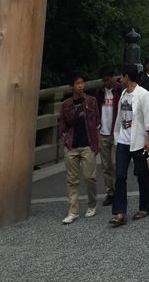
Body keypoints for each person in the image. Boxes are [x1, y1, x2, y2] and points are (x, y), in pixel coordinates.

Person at [110, 63, 149, 226]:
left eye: (121, 76)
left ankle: (144, 207)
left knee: (141, 175)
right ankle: (120, 211)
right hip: (123, 139)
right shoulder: (123, 94)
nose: (119, 79)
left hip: (139, 140)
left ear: (127, 76)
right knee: (120, 176)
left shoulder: (144, 94)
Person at [58, 71, 100, 224]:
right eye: (77, 83)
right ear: (72, 86)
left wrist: (97, 141)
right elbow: (61, 124)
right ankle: (73, 210)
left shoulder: (91, 101)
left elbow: (97, 120)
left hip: (88, 144)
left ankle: (92, 203)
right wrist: (65, 138)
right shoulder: (66, 105)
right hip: (71, 145)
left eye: (82, 83)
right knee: (72, 180)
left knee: (90, 177)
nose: (80, 86)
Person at [94, 65, 122, 206]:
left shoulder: (120, 91)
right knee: (106, 166)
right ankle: (110, 192)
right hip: (103, 132)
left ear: (112, 77)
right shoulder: (99, 93)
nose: (105, 83)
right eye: (103, 80)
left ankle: (119, 191)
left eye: (107, 80)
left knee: (116, 164)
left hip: (116, 133)